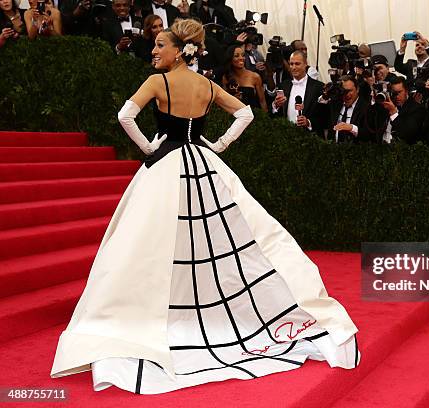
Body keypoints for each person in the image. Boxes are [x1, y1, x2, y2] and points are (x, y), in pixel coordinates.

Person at [50, 18, 360, 394]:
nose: (153, 52)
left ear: (179, 50)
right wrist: (218, 145)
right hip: (204, 163)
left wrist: (150, 147)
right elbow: (245, 114)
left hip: (166, 166)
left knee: (149, 244)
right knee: (223, 239)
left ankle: (156, 314)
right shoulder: (205, 85)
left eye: (159, 46)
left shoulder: (157, 83)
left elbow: (124, 116)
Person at [272, 50, 324, 131]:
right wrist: (276, 105)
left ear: (305, 64)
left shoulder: (318, 87)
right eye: (291, 64)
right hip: (287, 135)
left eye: (297, 64)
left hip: (310, 137)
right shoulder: (283, 85)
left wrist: (308, 122)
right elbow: (275, 114)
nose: (293, 67)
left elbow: (323, 115)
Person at [222, 44, 267, 112]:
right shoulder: (226, 77)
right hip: (234, 116)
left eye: (243, 55)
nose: (241, 58)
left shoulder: (255, 77)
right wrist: (233, 100)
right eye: (236, 56)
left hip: (252, 116)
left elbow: (262, 102)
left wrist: (265, 119)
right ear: (230, 59)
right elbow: (224, 102)